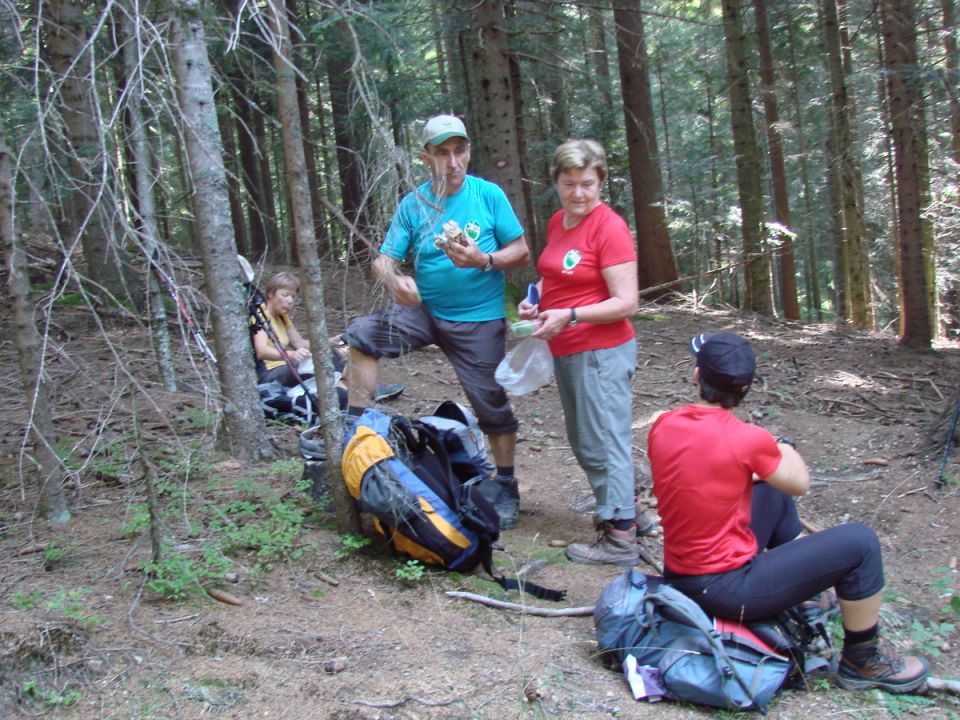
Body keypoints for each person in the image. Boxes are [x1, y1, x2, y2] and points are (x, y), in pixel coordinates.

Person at [647, 331, 930, 693]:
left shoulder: (665, 423)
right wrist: (782, 446)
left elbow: (709, 467)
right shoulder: (748, 438)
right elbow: (799, 482)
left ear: (697, 377)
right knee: (861, 542)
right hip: (725, 590)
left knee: (769, 490)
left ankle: (803, 598)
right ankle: (863, 660)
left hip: (683, 572)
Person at [343, 114, 530, 529]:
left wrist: (484, 260)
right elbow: (382, 260)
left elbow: (520, 251)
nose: (453, 161)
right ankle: (352, 428)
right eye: (442, 153)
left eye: (459, 150)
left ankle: (506, 484)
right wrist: (395, 281)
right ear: (426, 157)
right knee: (363, 334)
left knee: (491, 404)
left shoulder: (488, 195)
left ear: (468, 151)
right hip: (424, 310)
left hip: (478, 319)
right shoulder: (415, 204)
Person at [517, 138, 651, 566]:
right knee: (584, 438)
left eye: (588, 184)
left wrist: (570, 314)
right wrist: (535, 303)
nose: (578, 193)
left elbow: (626, 302)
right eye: (569, 183)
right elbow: (554, 277)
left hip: (601, 350)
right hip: (568, 347)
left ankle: (620, 537)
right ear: (556, 181)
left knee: (604, 438)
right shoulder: (560, 221)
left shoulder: (608, 227)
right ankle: (628, 511)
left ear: (601, 183)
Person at [251, 272, 312, 387]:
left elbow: (300, 344)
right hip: (268, 373)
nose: (290, 301)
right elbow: (262, 351)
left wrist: (332, 342)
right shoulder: (260, 315)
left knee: (330, 356)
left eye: (293, 297)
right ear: (270, 294)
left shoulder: (282, 316)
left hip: (286, 366)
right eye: (285, 295)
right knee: (312, 367)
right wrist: (292, 355)